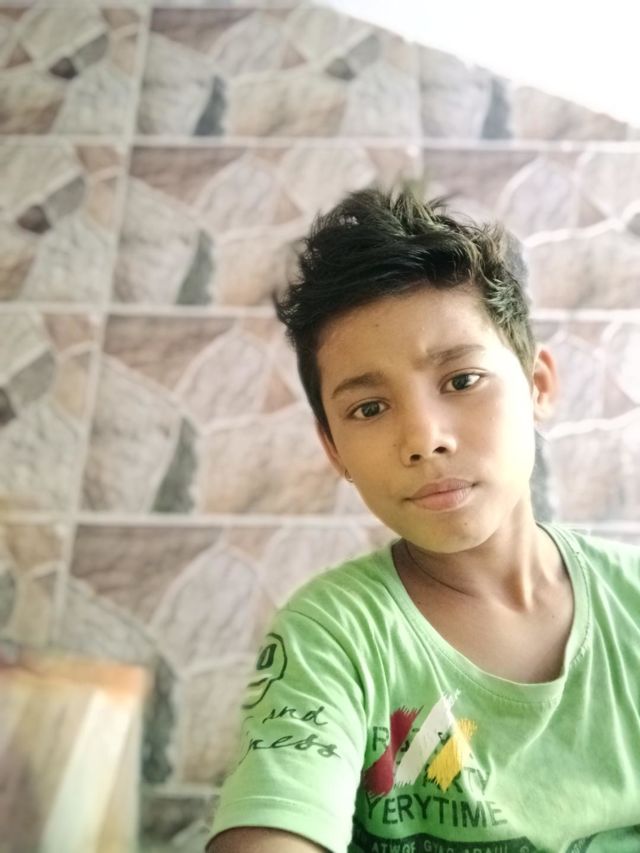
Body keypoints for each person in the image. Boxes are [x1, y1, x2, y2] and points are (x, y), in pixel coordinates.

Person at [206, 188, 640, 853]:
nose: (423, 439)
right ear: (334, 449)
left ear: (538, 386)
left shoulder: (631, 605)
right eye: (369, 408)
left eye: (462, 381)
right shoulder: (334, 636)